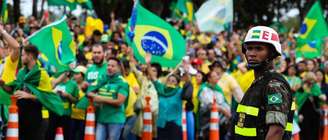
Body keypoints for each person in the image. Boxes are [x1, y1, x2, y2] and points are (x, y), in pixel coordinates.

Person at [232, 26, 294, 139]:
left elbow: (276, 131)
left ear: (272, 53)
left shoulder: (274, 85)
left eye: (259, 49)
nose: (251, 53)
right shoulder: (259, 82)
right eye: (249, 48)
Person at [88, 57, 129, 140]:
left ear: (119, 68)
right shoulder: (102, 78)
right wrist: (94, 96)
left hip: (115, 120)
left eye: (113, 66)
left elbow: (119, 102)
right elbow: (89, 91)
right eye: (108, 65)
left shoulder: (123, 83)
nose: (109, 68)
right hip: (101, 118)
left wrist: (100, 98)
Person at [0, 24, 20, 138]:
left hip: (6, 106)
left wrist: (2, 32)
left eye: (1, 47)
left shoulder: (10, 61)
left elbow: (17, 47)